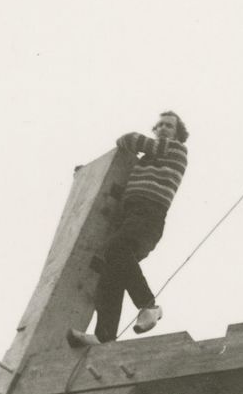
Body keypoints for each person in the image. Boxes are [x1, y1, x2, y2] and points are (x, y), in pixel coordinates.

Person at [68, 111, 189, 346]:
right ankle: (104, 335)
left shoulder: (175, 149)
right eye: (160, 125)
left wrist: (133, 142)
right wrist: (88, 175)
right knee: (112, 270)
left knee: (115, 250)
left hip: (149, 213)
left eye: (169, 126)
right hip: (133, 214)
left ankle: (149, 306)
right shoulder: (146, 162)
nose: (163, 128)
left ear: (177, 134)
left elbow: (130, 139)